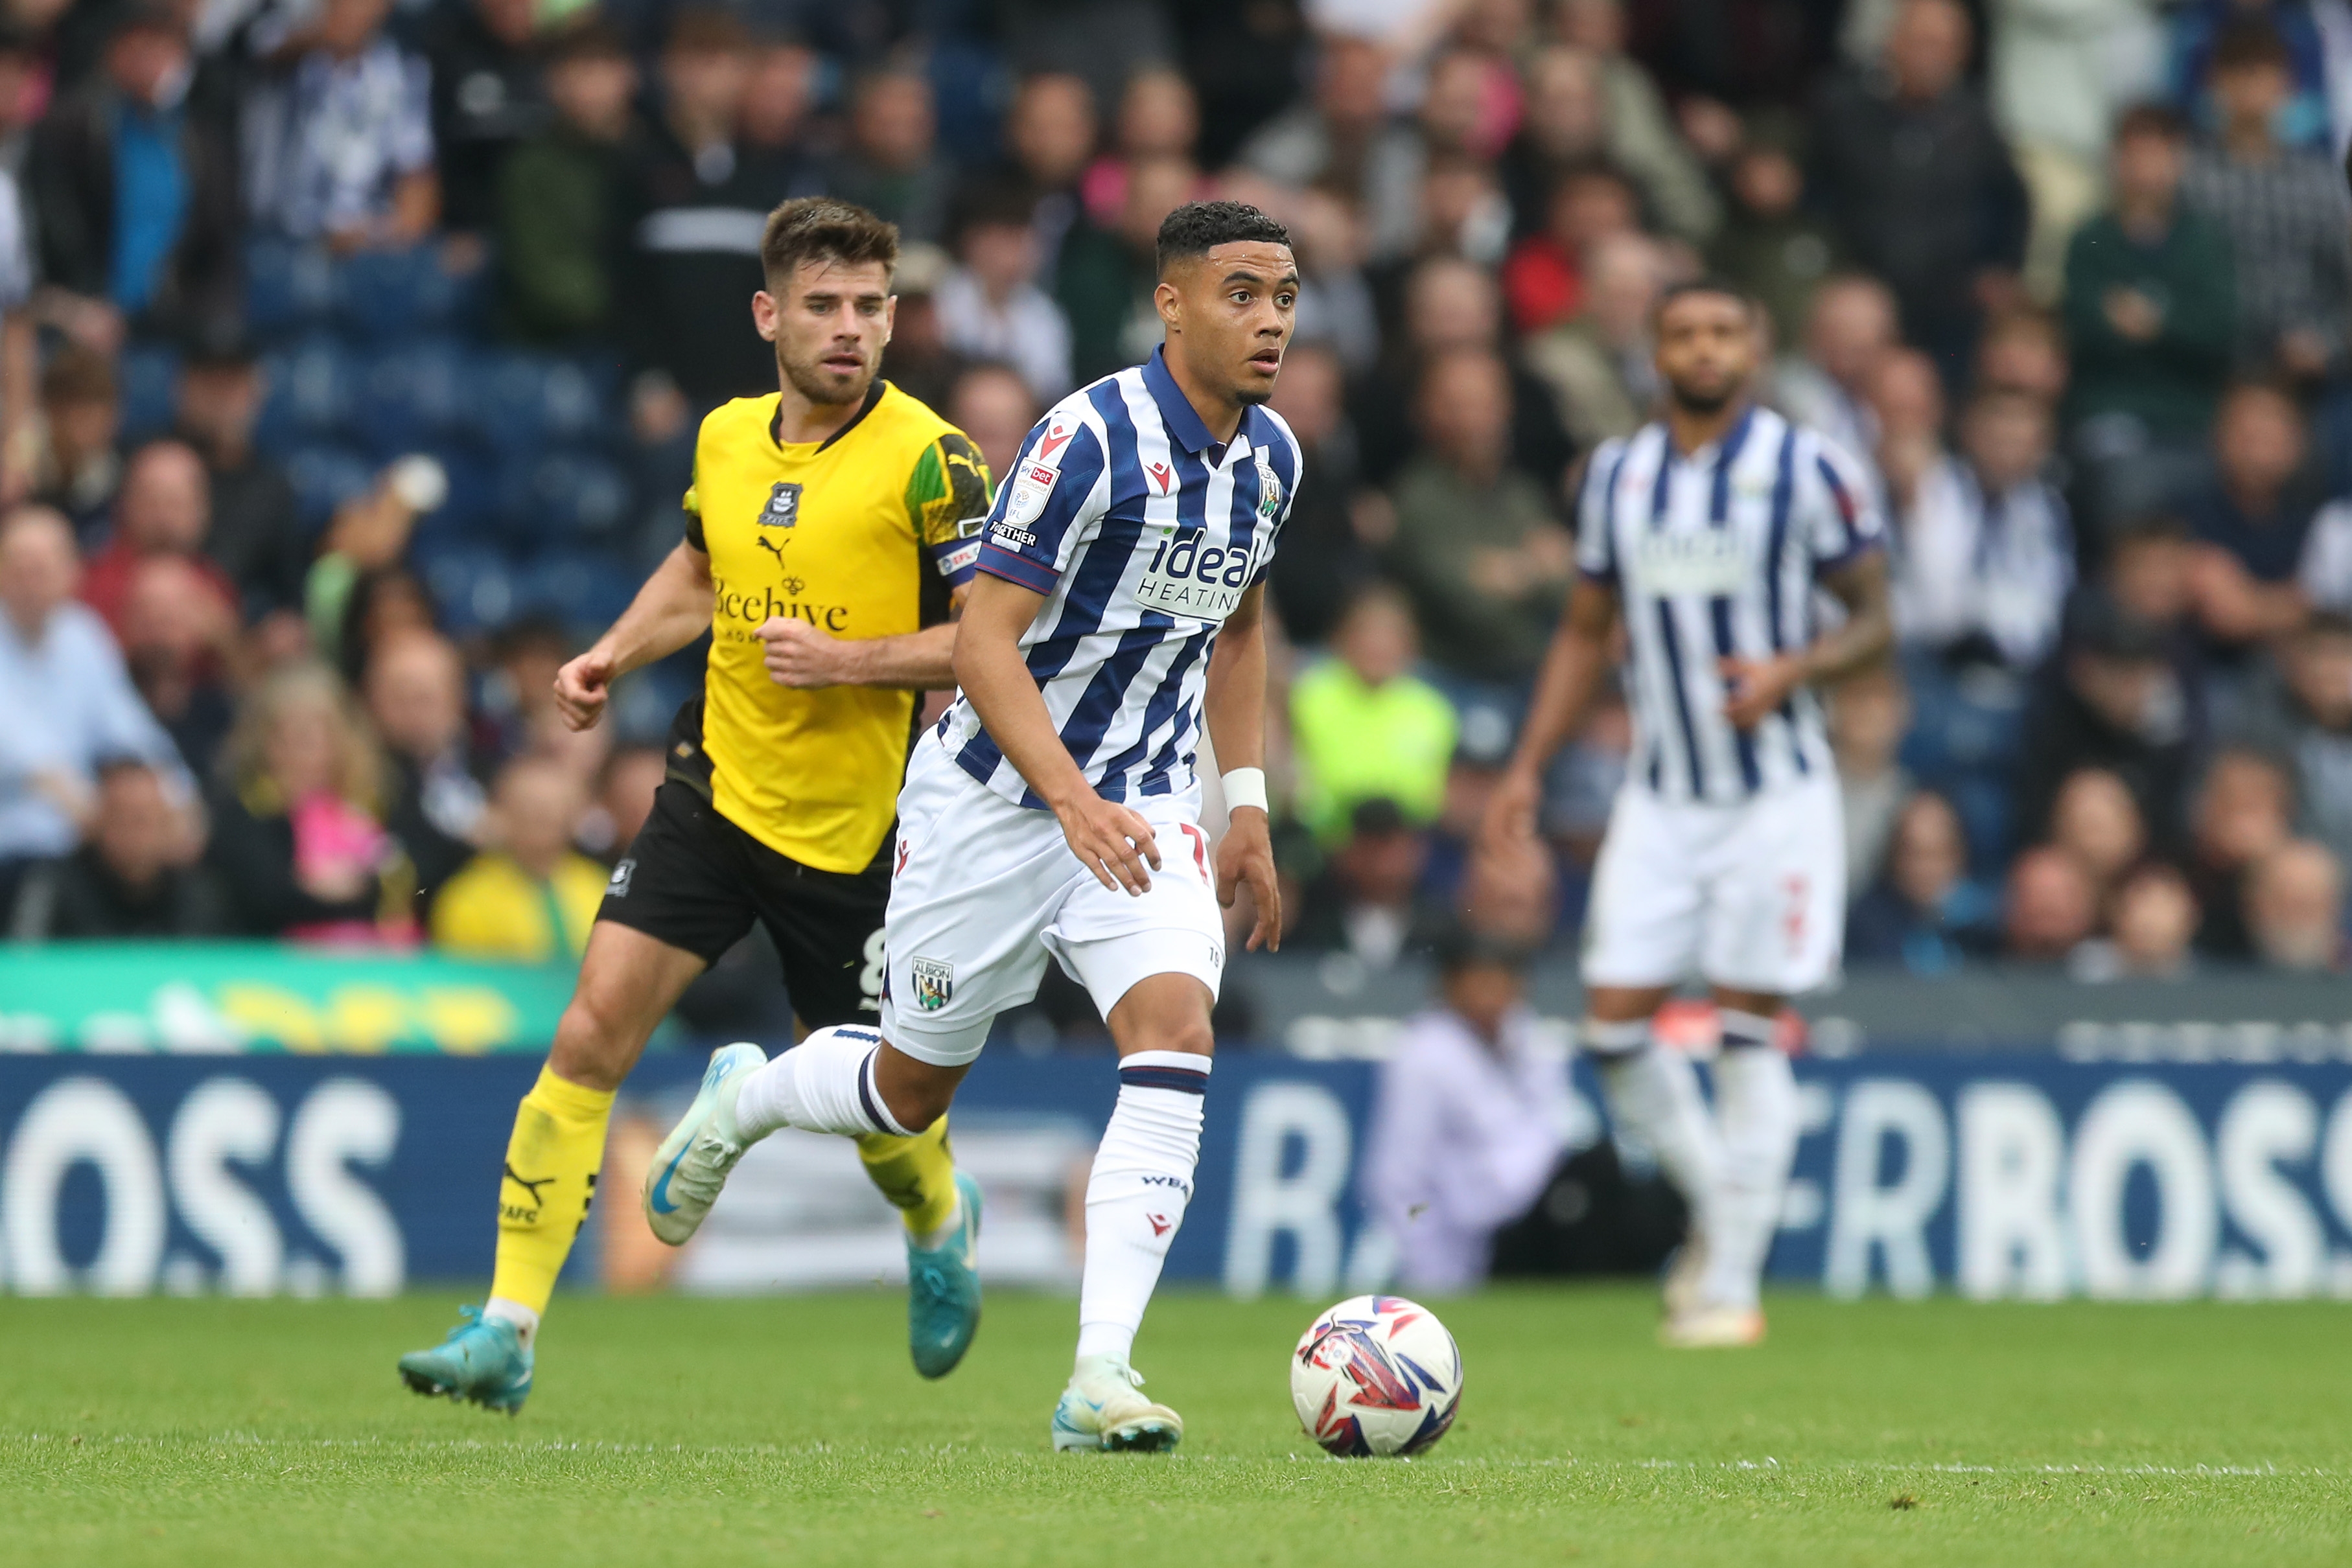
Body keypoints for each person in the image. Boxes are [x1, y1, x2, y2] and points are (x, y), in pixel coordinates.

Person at [637, 200, 1296, 1453]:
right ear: (1169, 303)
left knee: (1174, 1037)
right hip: (995, 802)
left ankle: (1099, 1375)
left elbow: (1241, 626)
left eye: (1284, 297)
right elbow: (982, 640)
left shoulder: (1273, 460)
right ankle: (744, 1103)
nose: (1269, 321)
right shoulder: (1085, 440)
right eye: (1241, 294)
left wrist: (1244, 805)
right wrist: (1066, 801)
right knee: (906, 1089)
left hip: (1144, 806)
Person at [397, 198, 996, 1415]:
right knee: (586, 1037)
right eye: (823, 306)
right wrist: (612, 652)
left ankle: (939, 1219)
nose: (848, 330)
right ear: (768, 314)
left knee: (885, 1122)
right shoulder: (725, 436)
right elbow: (699, 569)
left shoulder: (937, 460)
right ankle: (506, 1329)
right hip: (714, 791)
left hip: (866, 838)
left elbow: (994, 644)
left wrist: (852, 662)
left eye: (870, 307)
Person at [1478, 277, 1894, 1347]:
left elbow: (1875, 619)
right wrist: (1528, 763)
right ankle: (1720, 1218)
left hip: (1773, 795)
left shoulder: (1806, 468)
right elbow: (1581, 631)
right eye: (1682, 334)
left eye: (1722, 330)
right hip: (1659, 796)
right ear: (1654, 353)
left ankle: (1726, 1287)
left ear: (1751, 346)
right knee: (1613, 1026)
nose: (1703, 349)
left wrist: (1793, 668)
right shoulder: (1616, 478)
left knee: (1746, 1029)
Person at [1360, 925, 1575, 1293]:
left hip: (1536, 1218)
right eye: (1479, 984)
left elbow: (1554, 1134)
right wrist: (1431, 1274)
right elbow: (1400, 1174)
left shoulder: (1537, 1043)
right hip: (1467, 1232)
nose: (1490, 998)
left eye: (1501, 984)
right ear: (1448, 988)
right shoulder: (1424, 1055)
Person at [0, 505, 189, 897]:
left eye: (42, 568)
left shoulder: (82, 635)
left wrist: (179, 796)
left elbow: (130, 730)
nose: (30, 581)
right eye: (19, 567)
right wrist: (102, 813)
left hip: (84, 840)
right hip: (16, 839)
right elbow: (26, 760)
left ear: (71, 573)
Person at [2178, 20, 2352, 382]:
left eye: (2262, 73)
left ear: (2287, 83)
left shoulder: (2320, 180)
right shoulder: (2185, 174)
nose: (2250, 87)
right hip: (2204, 366)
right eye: (2238, 73)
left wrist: (2327, 341)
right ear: (2214, 81)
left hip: (2304, 369)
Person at [205, 662, 416, 942]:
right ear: (262, 742)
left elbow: (417, 878)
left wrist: (363, 885)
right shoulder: (245, 811)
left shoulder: (378, 801)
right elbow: (262, 897)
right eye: (287, 735)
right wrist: (339, 892)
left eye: (314, 735)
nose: (302, 751)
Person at [1289, 584, 1456, 844]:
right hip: (1324, 839)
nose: (1378, 646)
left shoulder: (1432, 708)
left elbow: (1432, 798)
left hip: (1403, 840)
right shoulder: (1309, 694)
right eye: (1368, 633)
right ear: (1342, 638)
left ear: (1410, 644)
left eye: (1390, 636)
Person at [7, 756, 224, 938]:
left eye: (144, 821)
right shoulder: (51, 887)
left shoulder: (198, 896)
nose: (135, 836)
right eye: (121, 819)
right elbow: (25, 964)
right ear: (98, 822)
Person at [430, 756, 607, 962]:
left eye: (554, 807)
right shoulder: (467, 900)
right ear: (500, 812)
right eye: (529, 806)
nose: (543, 816)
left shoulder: (602, 889)